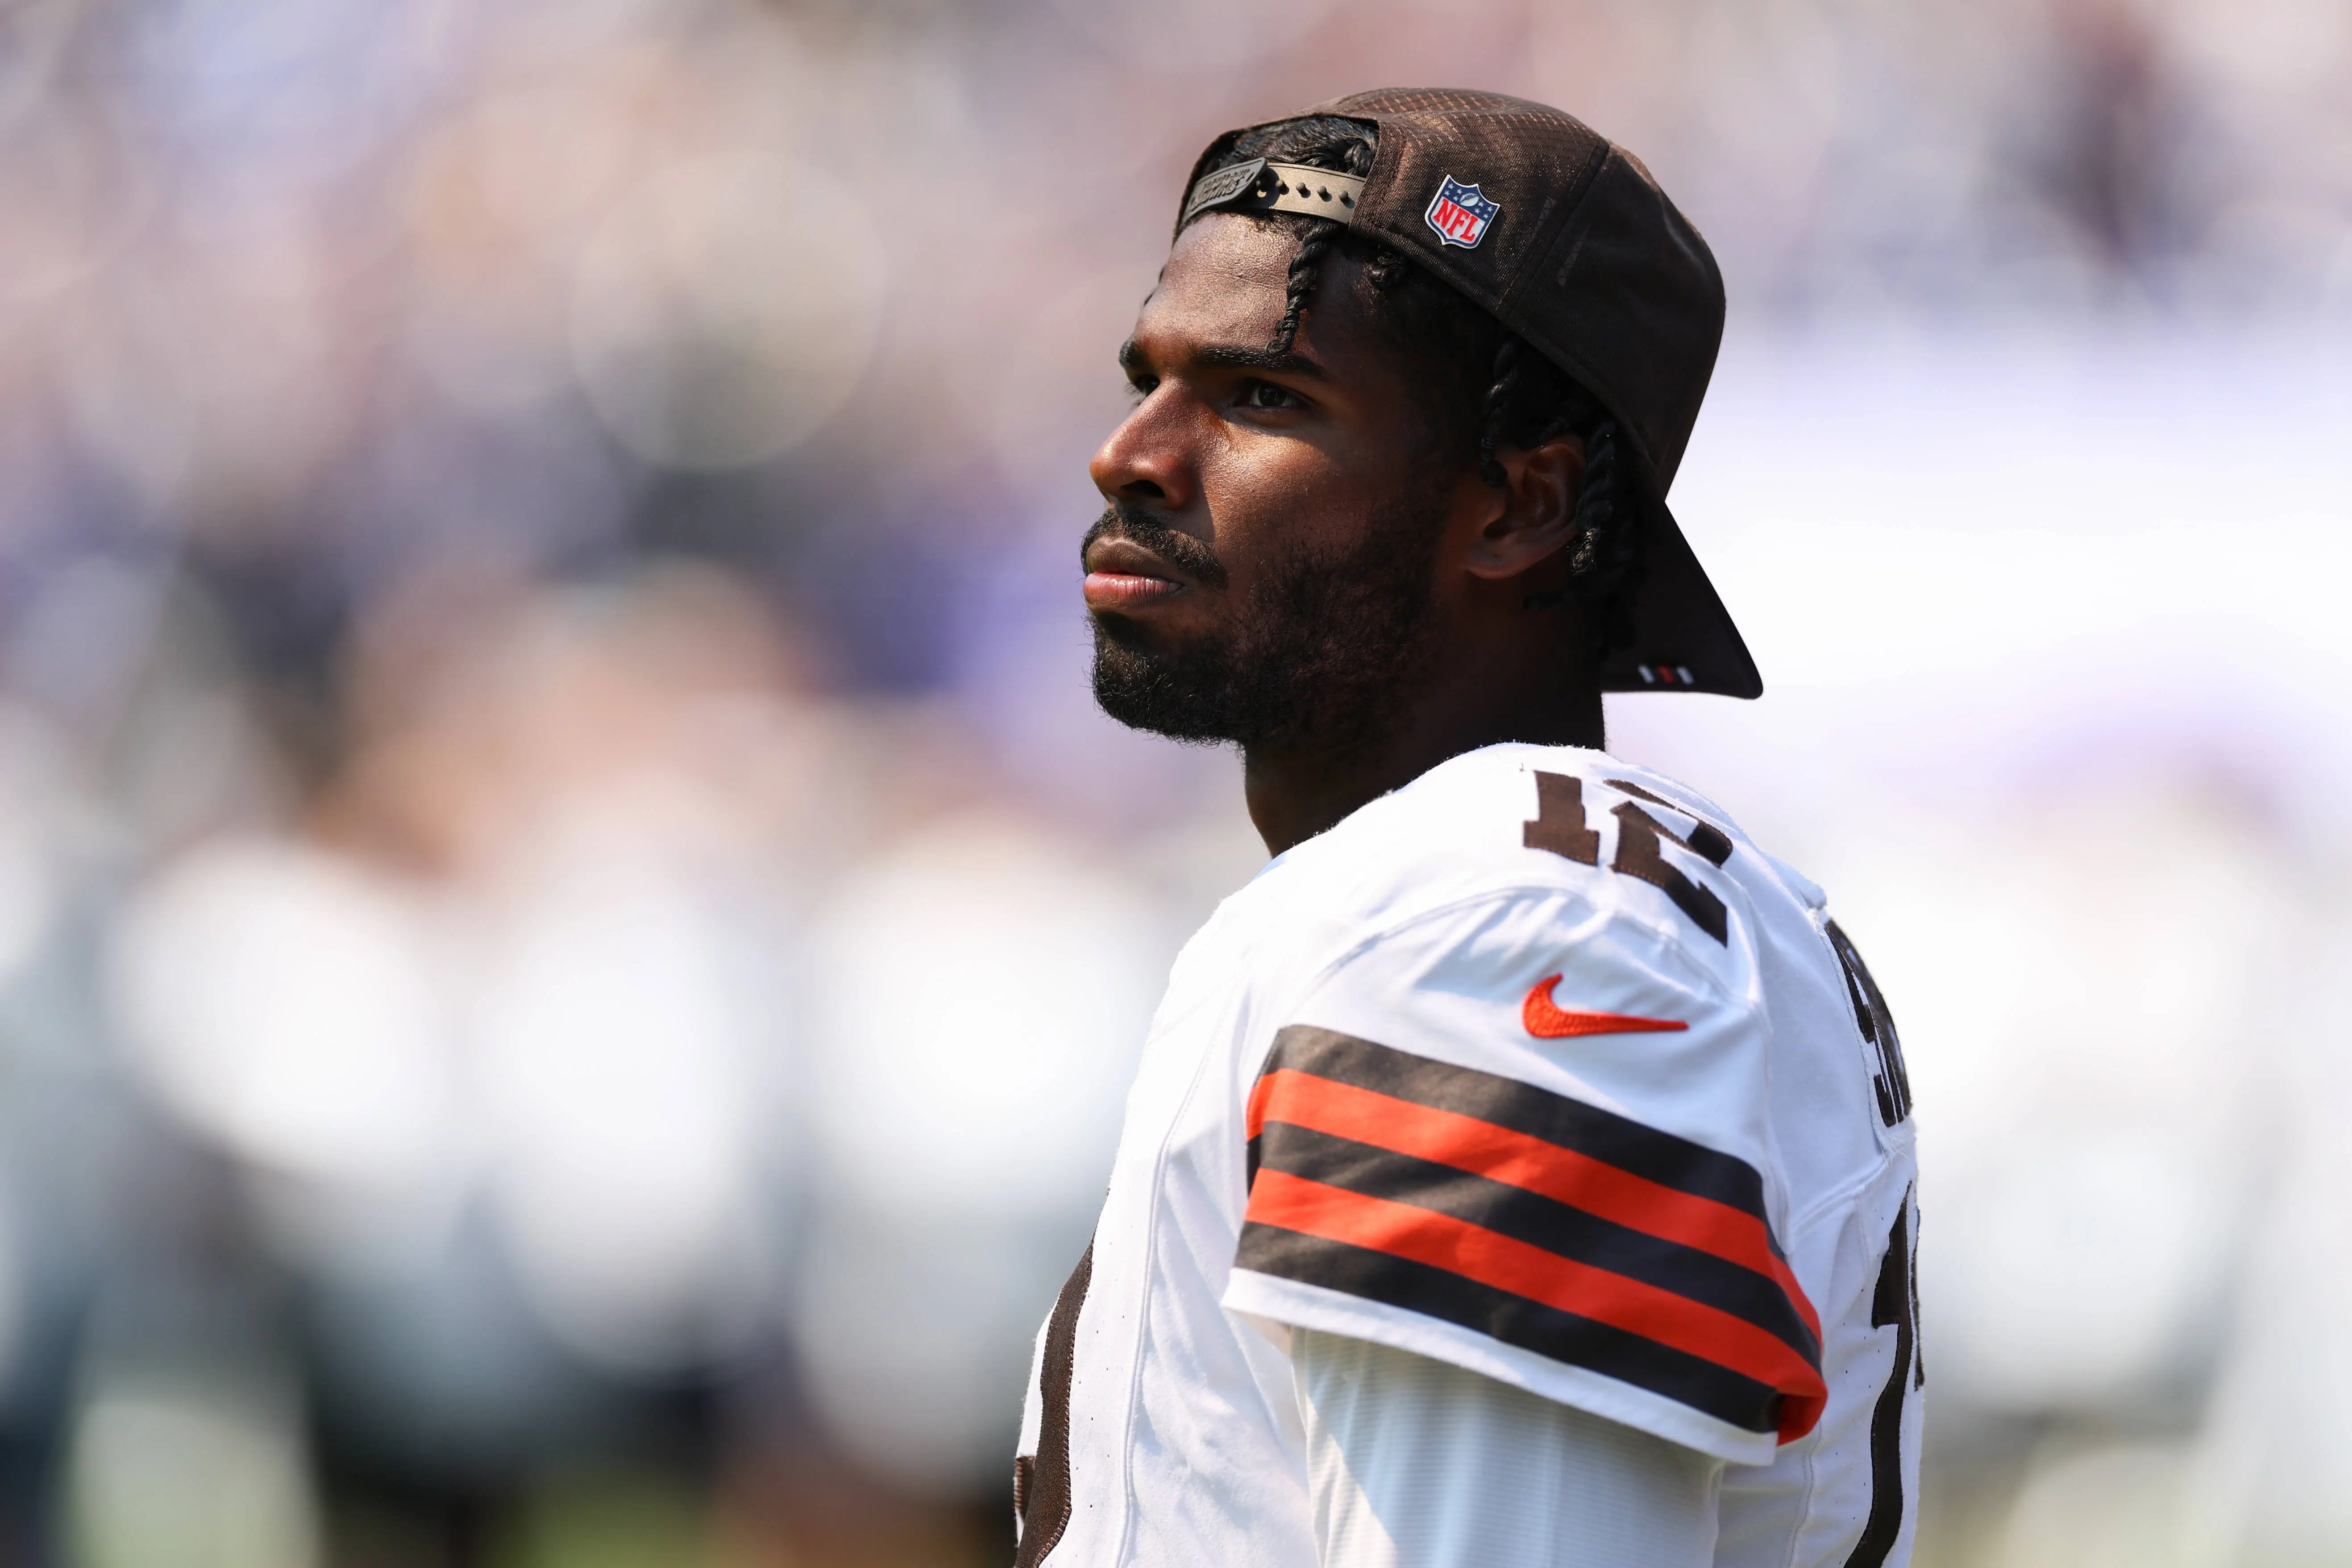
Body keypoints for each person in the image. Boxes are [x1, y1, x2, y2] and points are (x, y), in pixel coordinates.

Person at [1014, 89, 1921, 1568]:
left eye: (1262, 398)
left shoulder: (1507, 920)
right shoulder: (1492, 888)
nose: (1133, 454)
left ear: (1518, 505)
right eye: (1150, 378)